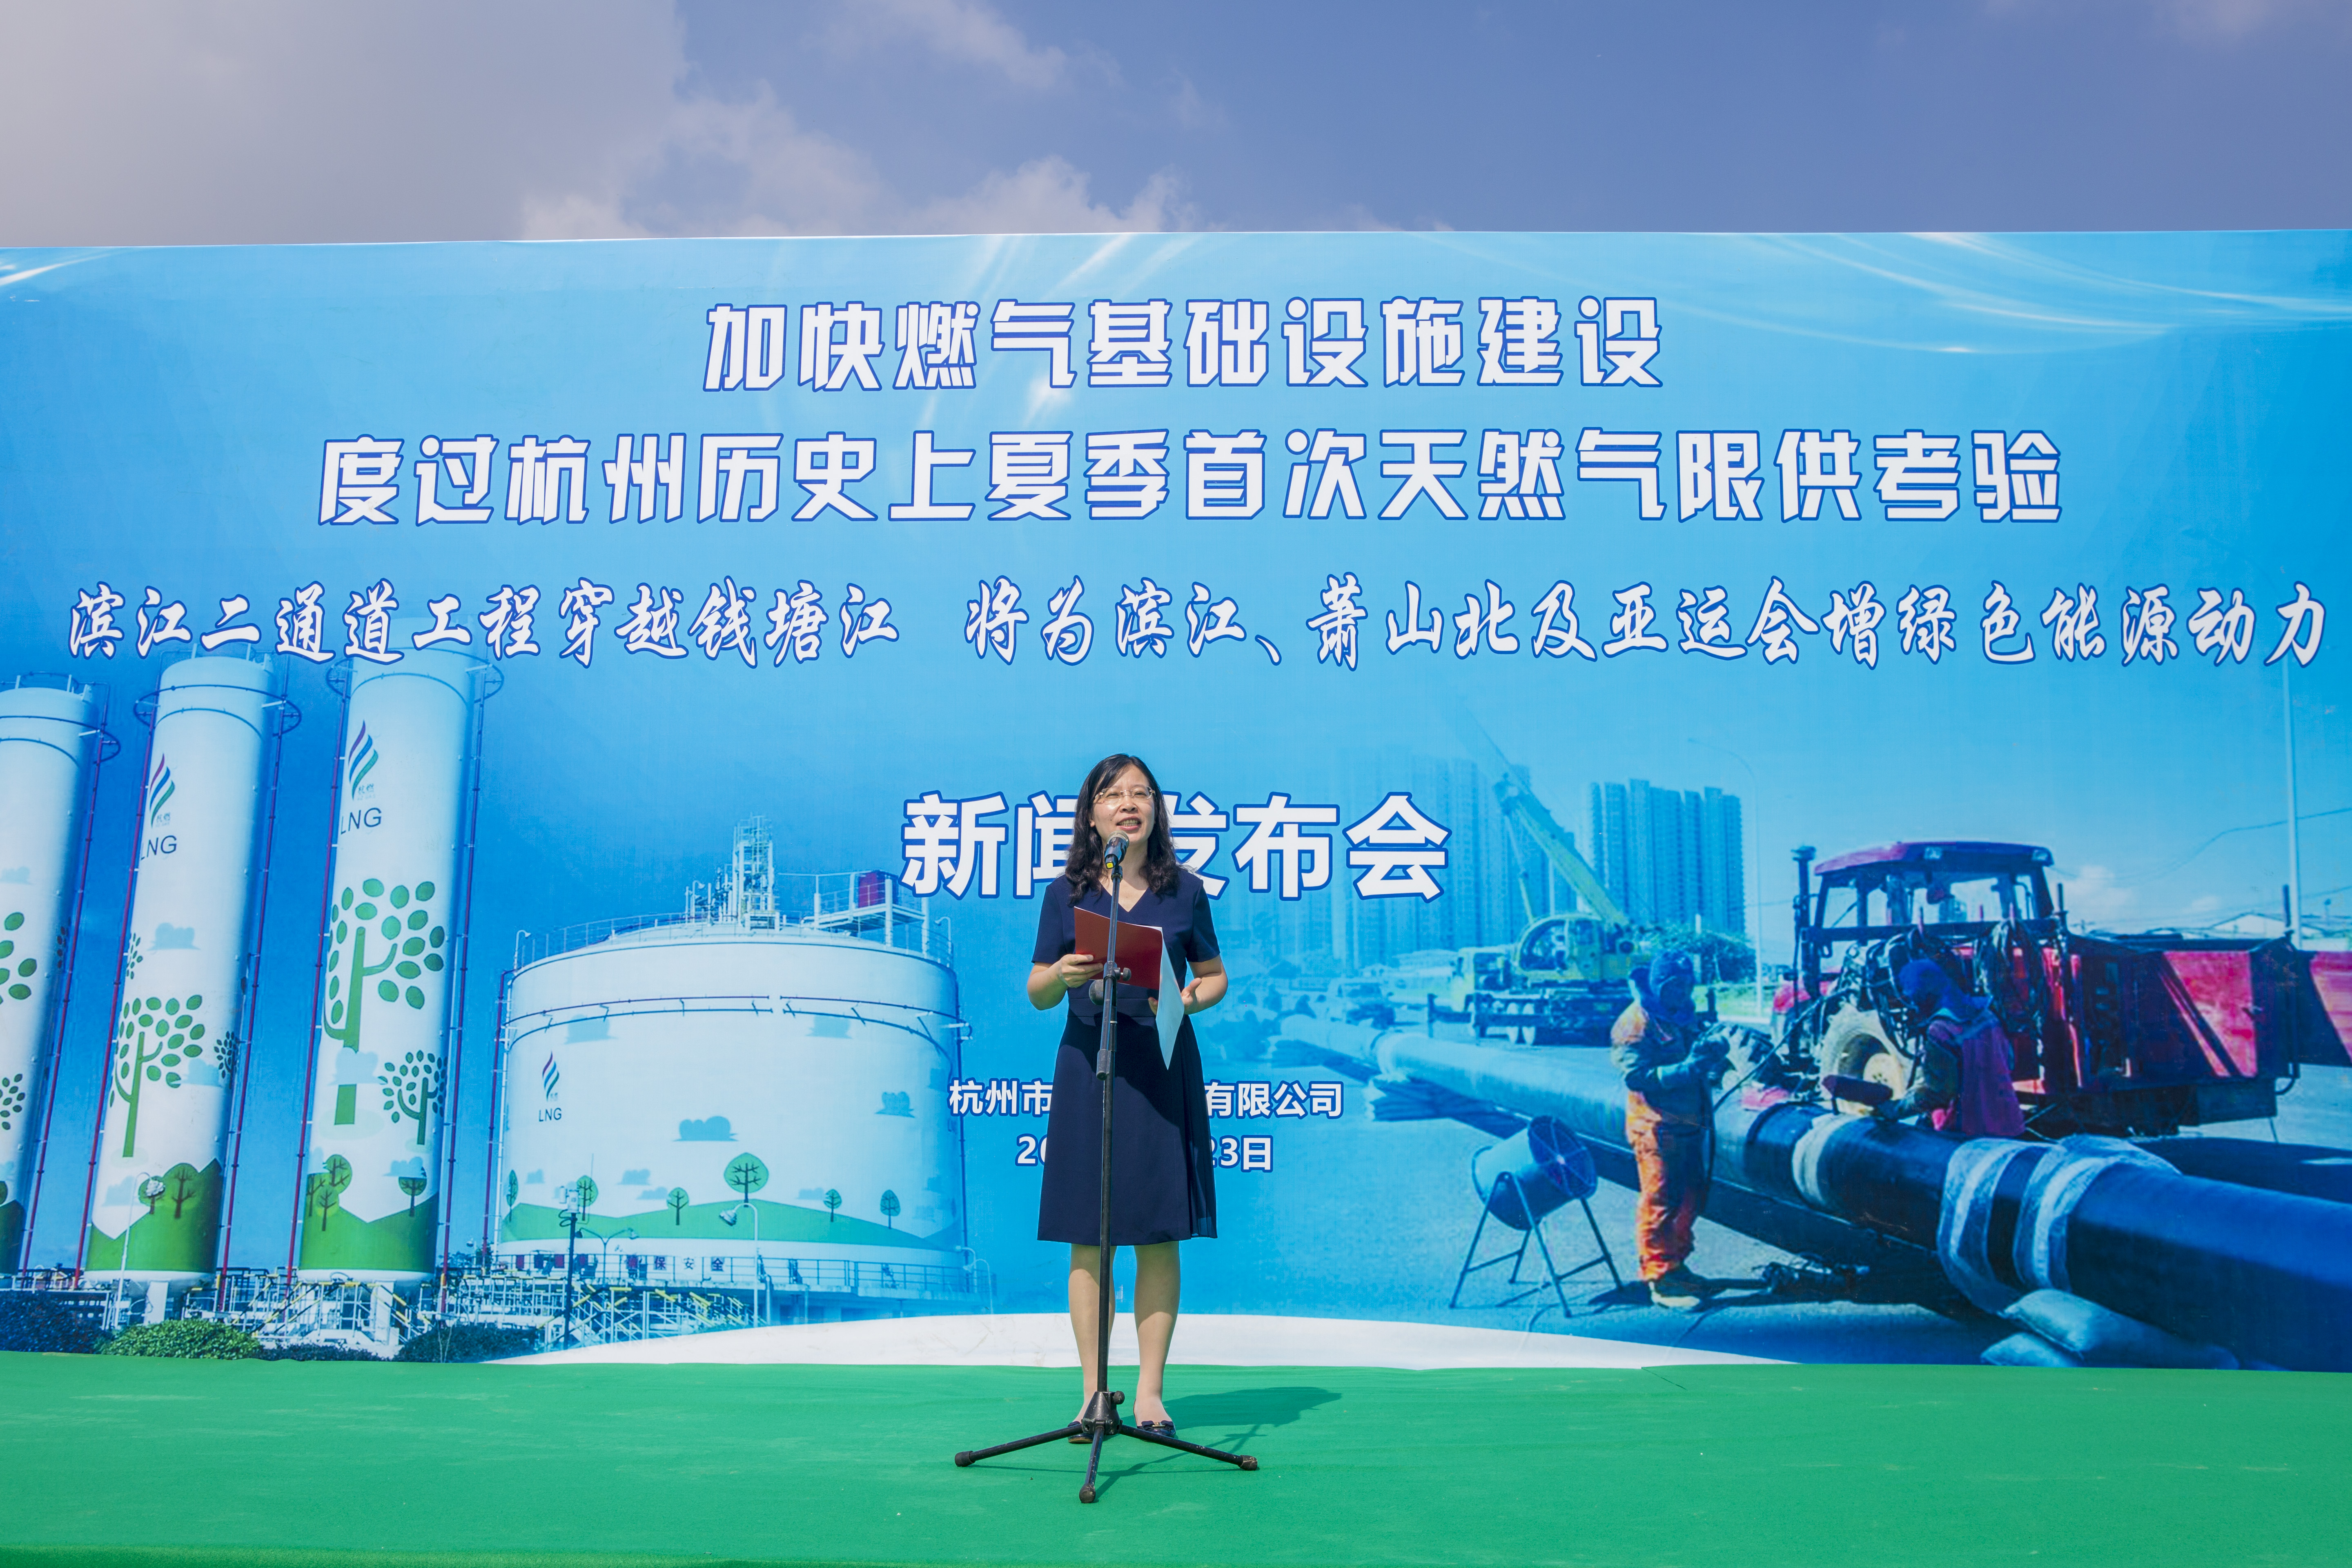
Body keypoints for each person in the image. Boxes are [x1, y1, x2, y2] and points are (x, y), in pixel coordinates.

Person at [1030, 753, 1226, 1439]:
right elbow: (1038, 992)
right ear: (1093, 815)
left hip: (1160, 1064)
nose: (1130, 804)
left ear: (1156, 812)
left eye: (1142, 793)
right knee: (1091, 1237)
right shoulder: (1066, 894)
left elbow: (1214, 976)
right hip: (1090, 1066)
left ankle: (1149, 1395)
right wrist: (1061, 973)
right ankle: (1093, 1392)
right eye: (1114, 794)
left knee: (1156, 1233)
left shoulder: (1185, 891)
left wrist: (1187, 999)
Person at [1609, 951, 1727, 1312]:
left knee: (1690, 1198)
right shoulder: (1635, 1024)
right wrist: (1690, 1068)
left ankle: (1677, 1265)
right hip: (1657, 1129)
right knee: (1660, 1202)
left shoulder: (1681, 1014)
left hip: (1689, 1123)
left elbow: (1696, 1057)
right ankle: (1660, 1279)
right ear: (1659, 985)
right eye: (1675, 986)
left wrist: (1712, 1053)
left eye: (1688, 985)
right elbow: (1637, 1077)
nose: (1683, 992)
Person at [1877, 959, 2027, 1138]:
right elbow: (2009, 1062)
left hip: (1970, 1135)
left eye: (1912, 998)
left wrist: (1896, 1109)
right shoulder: (1987, 1015)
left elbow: (1939, 1093)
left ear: (1922, 995)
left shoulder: (1941, 1030)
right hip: (2010, 1125)